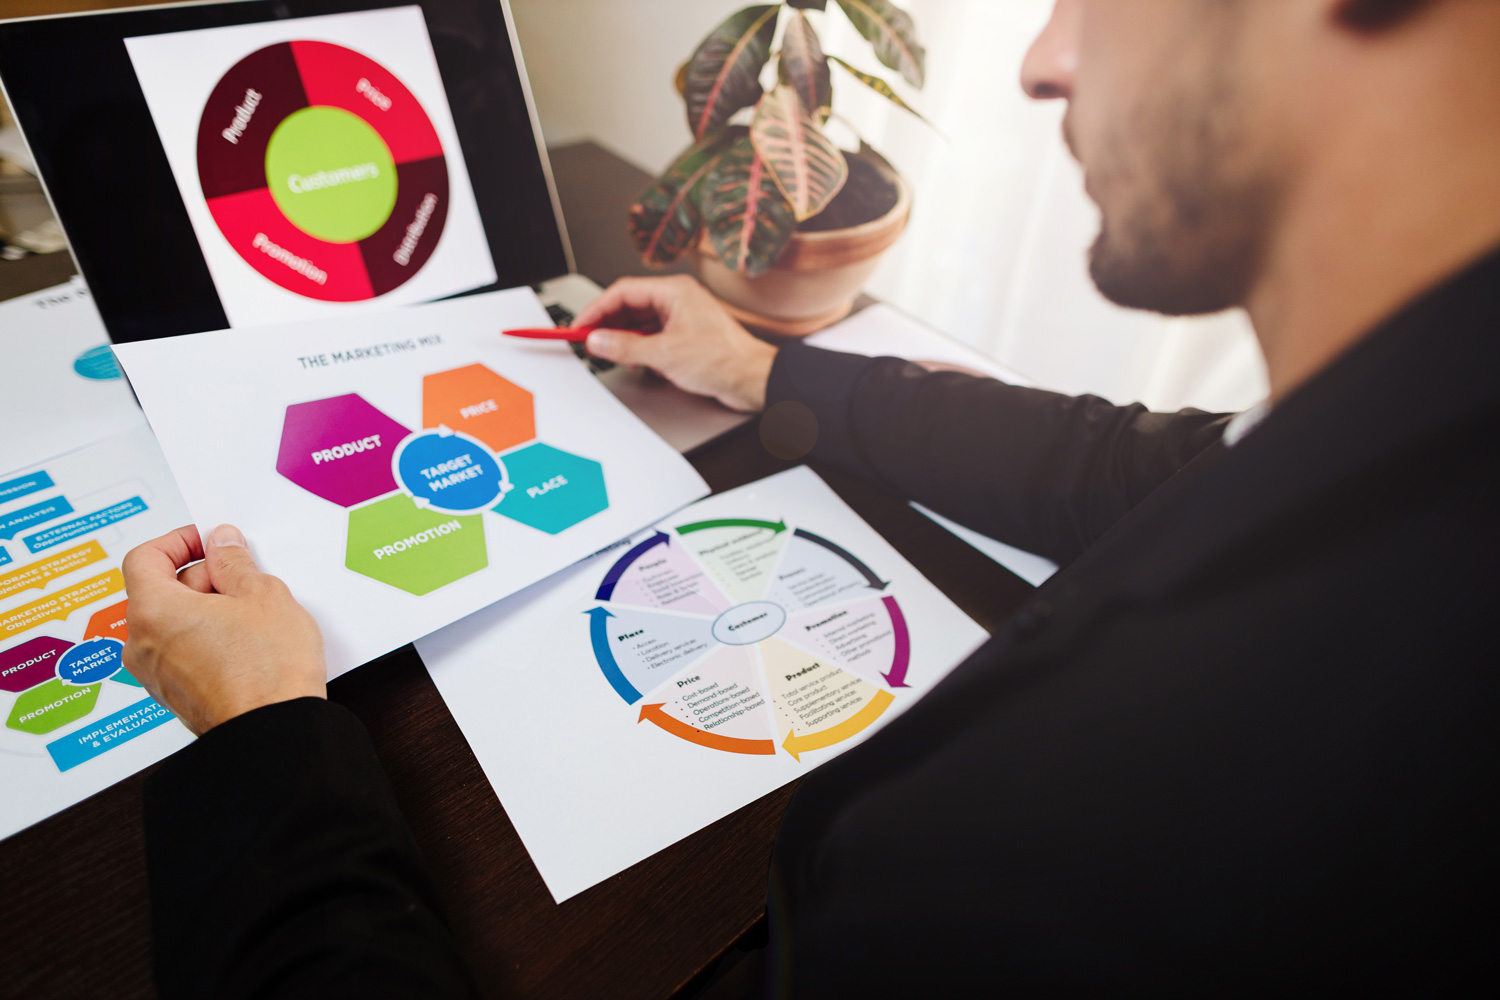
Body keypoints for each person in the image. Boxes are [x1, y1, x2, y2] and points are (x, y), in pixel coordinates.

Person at [123, 0, 1499, 995]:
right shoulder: (1407, 437)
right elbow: (1144, 467)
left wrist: (261, 742)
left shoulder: (1142, 819)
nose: (1044, 57)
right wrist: (770, 366)